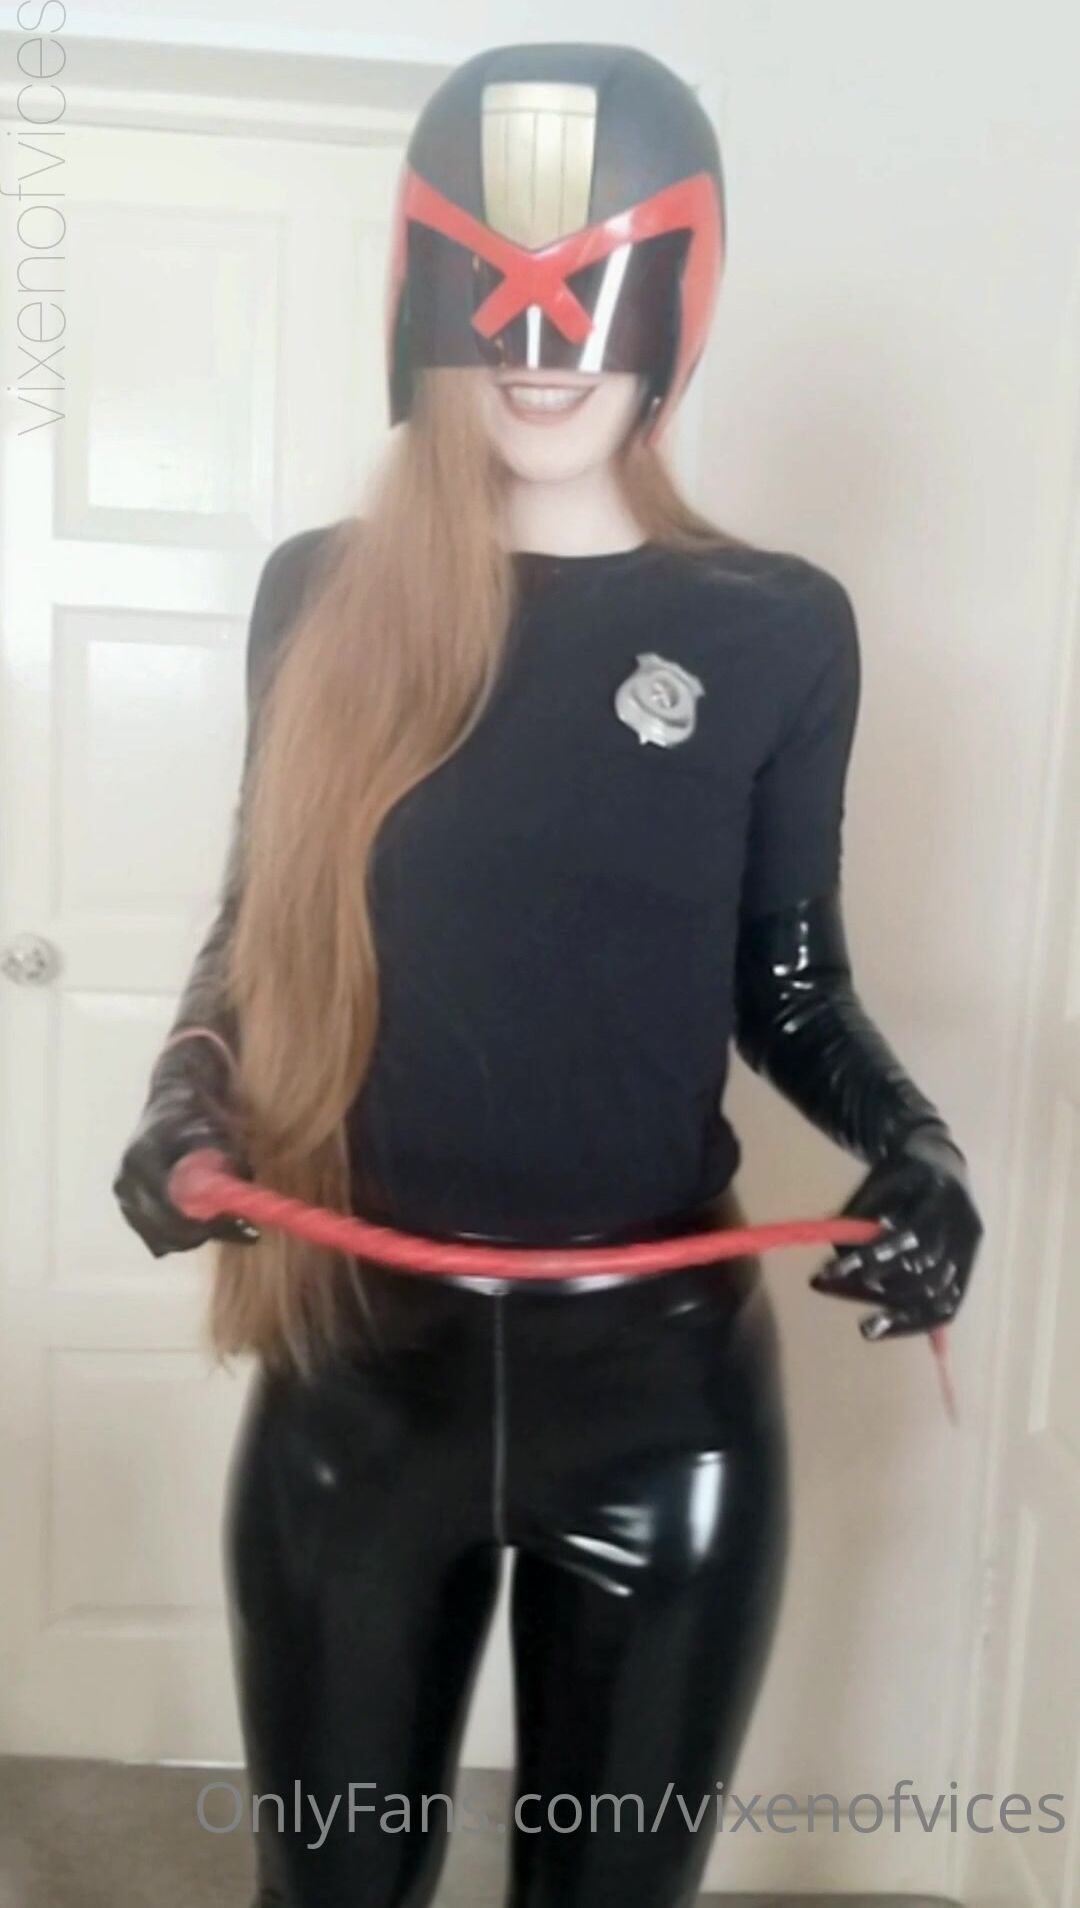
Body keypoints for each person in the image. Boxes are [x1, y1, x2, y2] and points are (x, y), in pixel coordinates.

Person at [112, 41, 983, 1908]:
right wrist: (185, 1090)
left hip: (659, 1406)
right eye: (493, 289)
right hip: (361, 1380)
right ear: (421, 300)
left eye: (594, 287)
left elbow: (791, 984)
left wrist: (918, 1149)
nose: (541, 345)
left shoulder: (772, 629)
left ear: (680, 301)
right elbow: (260, 928)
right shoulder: (324, 594)